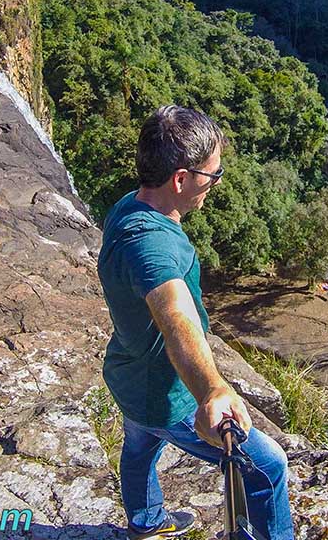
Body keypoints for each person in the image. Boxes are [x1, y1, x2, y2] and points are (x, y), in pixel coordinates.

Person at [97, 106, 293, 540]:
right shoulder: (152, 246)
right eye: (212, 175)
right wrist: (212, 390)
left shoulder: (129, 206)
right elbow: (175, 316)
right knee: (268, 467)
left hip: (129, 374)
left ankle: (146, 523)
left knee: (140, 447)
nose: (215, 184)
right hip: (170, 395)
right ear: (181, 179)